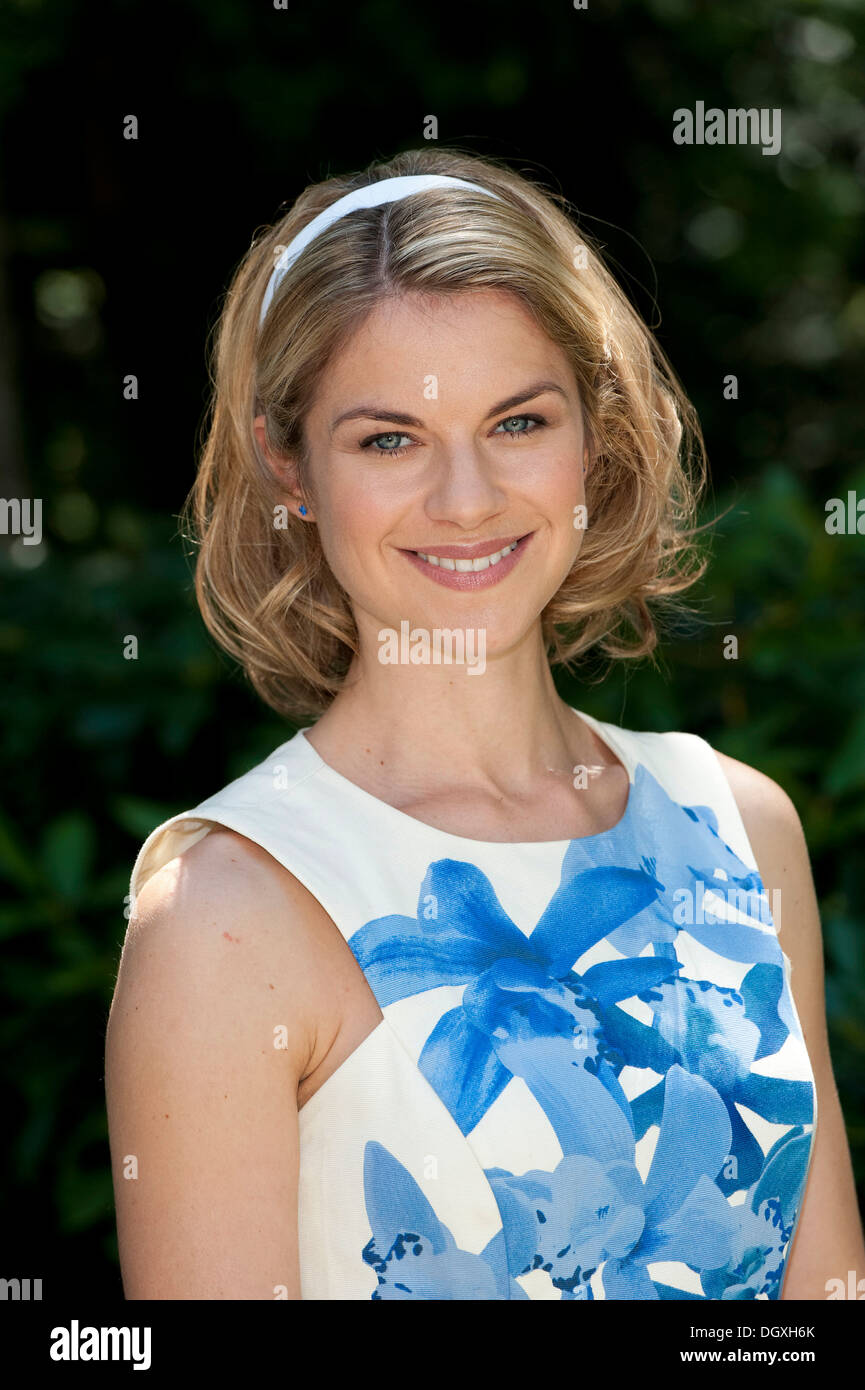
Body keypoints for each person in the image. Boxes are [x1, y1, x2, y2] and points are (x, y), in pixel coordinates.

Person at [104, 148, 864, 1300]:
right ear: (287, 464)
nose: (466, 499)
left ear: (593, 436)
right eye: (389, 438)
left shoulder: (743, 828)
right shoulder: (223, 917)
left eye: (517, 421)